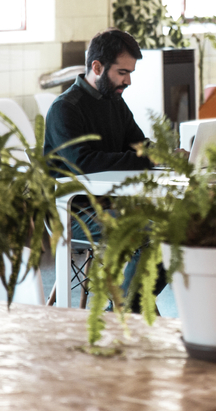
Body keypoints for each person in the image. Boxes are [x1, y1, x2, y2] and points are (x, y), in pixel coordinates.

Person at [43, 29, 164, 312]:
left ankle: (125, 306)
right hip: (75, 212)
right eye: (123, 72)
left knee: (179, 228)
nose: (128, 80)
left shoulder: (115, 102)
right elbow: (84, 164)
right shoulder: (65, 109)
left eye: (130, 72)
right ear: (96, 67)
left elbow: (138, 144)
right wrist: (145, 160)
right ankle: (127, 307)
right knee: (153, 234)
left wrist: (162, 153)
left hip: (113, 203)